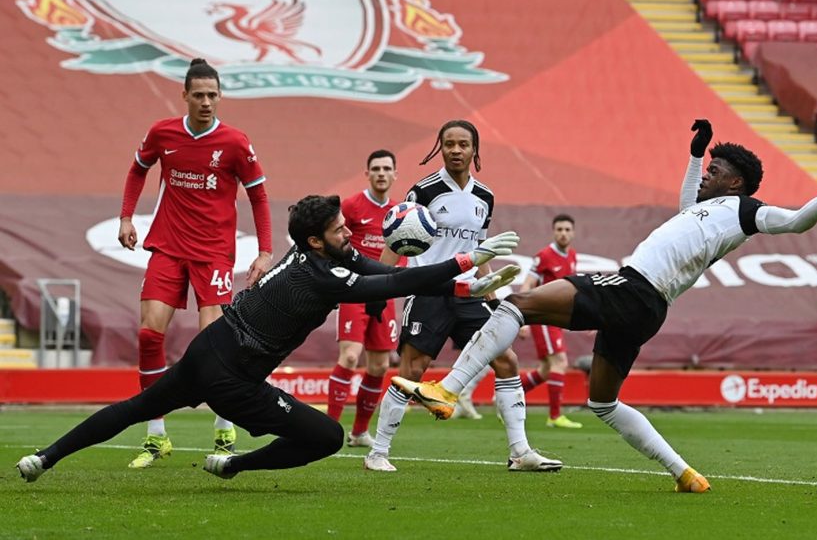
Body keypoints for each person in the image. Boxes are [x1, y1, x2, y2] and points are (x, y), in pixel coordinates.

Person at [394, 119, 817, 493]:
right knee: (602, 401)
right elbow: (689, 202)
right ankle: (683, 472)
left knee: (518, 302)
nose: (707, 175)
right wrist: (695, 154)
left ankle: (451, 388)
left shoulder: (747, 210)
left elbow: (799, 222)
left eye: (715, 171)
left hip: (631, 285)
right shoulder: (705, 209)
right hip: (648, 307)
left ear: (737, 182)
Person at [16, 195, 521, 483]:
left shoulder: (319, 254)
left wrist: (465, 284)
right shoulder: (321, 275)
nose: (350, 234)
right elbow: (386, 283)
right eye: (341, 229)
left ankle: (44, 458)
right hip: (233, 374)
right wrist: (462, 260)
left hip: (211, 347)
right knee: (326, 438)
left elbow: (377, 268)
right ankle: (236, 465)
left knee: (136, 406)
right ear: (317, 241)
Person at [365, 120, 563, 473]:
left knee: (507, 362)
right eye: (449, 144)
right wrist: (379, 290)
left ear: (475, 150)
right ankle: (377, 453)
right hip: (429, 290)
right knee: (413, 370)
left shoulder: (484, 196)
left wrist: (493, 296)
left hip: (470, 292)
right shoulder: (423, 191)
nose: (456, 150)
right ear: (439, 148)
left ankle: (520, 452)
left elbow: (478, 251)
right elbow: (399, 238)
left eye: (463, 144)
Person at [117, 58, 274, 469]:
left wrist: (264, 250)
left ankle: (224, 428)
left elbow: (258, 195)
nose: (206, 102)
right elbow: (138, 170)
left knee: (214, 347)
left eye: (213, 95)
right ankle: (155, 435)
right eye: (199, 95)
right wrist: (126, 217)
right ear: (184, 95)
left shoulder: (236, 143)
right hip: (167, 246)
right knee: (150, 336)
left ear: (220, 96)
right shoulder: (162, 133)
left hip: (213, 253)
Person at [327, 150, 401, 447]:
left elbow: (405, 250)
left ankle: (358, 432)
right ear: (367, 173)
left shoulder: (400, 213)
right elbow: (334, 238)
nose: (381, 173)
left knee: (380, 366)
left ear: (395, 174)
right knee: (349, 356)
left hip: (385, 293)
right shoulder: (352, 206)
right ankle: (327, 431)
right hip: (355, 290)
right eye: (376, 169)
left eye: (387, 169)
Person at [517, 214, 582, 429]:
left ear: (573, 232)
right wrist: (523, 318)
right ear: (554, 231)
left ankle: (508, 396)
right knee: (560, 362)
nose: (563, 233)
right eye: (559, 229)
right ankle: (554, 416)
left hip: (558, 319)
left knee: (546, 369)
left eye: (567, 229)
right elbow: (527, 285)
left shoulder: (572, 256)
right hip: (544, 316)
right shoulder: (544, 256)